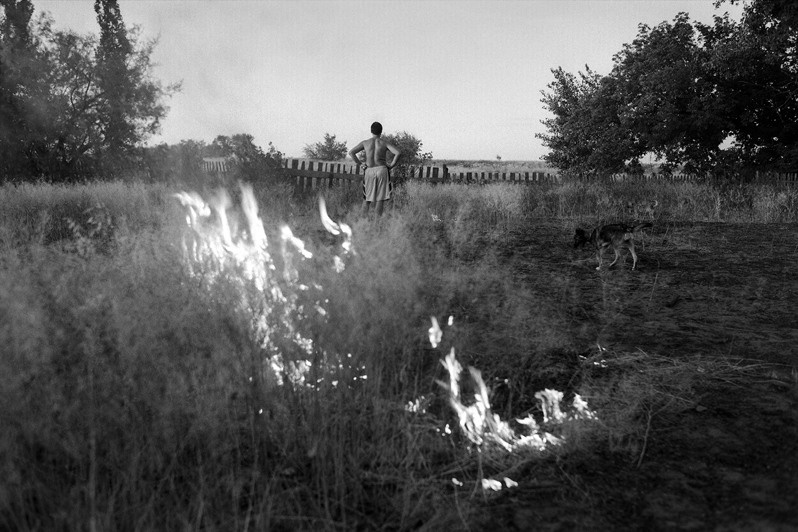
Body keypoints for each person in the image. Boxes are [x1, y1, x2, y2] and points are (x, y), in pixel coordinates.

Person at [348, 122, 401, 218]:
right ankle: (377, 224)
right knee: (380, 199)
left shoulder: (365, 143)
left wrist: (360, 164)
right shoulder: (384, 143)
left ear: (371, 131)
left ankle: (363, 224)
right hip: (381, 170)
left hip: (369, 170)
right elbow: (398, 153)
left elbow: (351, 152)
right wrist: (391, 165)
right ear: (381, 131)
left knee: (367, 199)